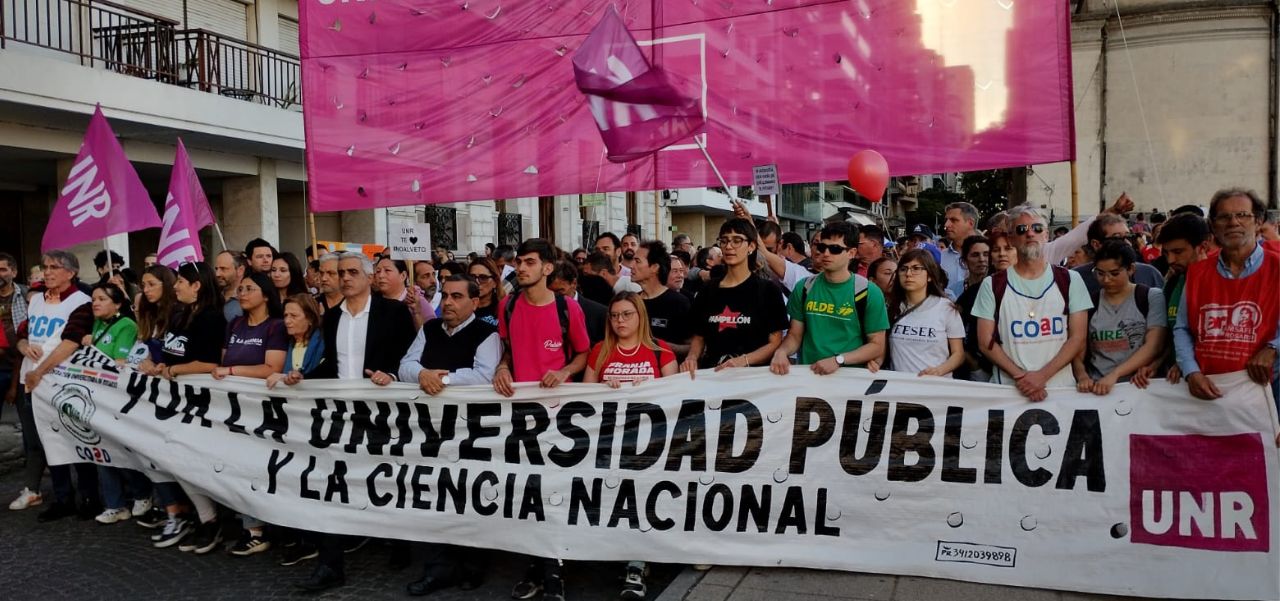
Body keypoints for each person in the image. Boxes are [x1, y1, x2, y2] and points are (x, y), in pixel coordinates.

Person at [299, 251, 417, 593]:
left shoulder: (393, 313)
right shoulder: (332, 317)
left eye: (352, 272)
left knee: (387, 478)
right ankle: (329, 564)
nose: (345, 277)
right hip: (340, 414)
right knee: (330, 483)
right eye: (340, 272)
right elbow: (332, 365)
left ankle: (399, 542)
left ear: (368, 278)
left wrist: (391, 374)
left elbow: (409, 357)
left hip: (382, 413)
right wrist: (301, 377)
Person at [493, 239, 591, 601]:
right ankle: (538, 565)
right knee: (529, 492)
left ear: (547, 269)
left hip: (561, 418)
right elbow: (506, 348)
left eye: (529, 262)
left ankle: (554, 571)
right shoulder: (508, 305)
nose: (520, 267)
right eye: (518, 261)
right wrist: (502, 367)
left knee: (555, 493)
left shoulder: (567, 309)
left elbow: (582, 353)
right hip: (520, 416)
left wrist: (565, 372)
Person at [396, 274, 498, 596]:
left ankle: (473, 564)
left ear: (475, 302)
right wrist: (423, 374)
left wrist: (444, 380)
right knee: (438, 497)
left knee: (470, 496)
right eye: (446, 297)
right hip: (432, 431)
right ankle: (439, 568)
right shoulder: (429, 329)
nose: (449, 303)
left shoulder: (487, 333)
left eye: (457, 297)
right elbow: (406, 366)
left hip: (473, 431)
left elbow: (484, 375)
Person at [581, 291, 675, 601]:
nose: (620, 320)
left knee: (643, 503)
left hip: (651, 447)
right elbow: (583, 401)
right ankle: (625, 556)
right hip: (611, 444)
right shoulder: (599, 351)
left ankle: (637, 565)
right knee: (619, 502)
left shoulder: (661, 352)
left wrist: (652, 390)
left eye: (627, 314)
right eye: (615, 315)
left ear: (640, 317)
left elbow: (676, 404)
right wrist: (603, 391)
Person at [142, 262, 227, 551]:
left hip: (199, 402)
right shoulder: (179, 314)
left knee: (189, 460)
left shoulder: (212, 318)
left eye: (180, 281)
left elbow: (210, 362)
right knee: (169, 459)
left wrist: (177, 371)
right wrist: (160, 365)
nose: (175, 286)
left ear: (197, 285)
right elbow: (171, 353)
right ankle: (203, 518)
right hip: (174, 400)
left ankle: (212, 520)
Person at [1173, 188, 1279, 405]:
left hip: (1268, 391)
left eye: (1242, 215)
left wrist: (1273, 347)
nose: (1233, 222)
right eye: (1224, 216)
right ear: (1213, 226)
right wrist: (1191, 371)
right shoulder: (1197, 273)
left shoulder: (1277, 268)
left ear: (1258, 222)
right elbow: (1181, 328)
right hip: (1209, 392)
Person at [10, 250, 96, 519]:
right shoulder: (35, 301)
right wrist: (24, 347)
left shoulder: (82, 302)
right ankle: (62, 498)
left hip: (63, 382)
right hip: (32, 381)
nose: (47, 272)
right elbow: (21, 334)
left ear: (70, 273)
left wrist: (41, 371)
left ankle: (90, 497)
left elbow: (71, 341)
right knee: (48, 442)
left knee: (76, 440)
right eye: (45, 267)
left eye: (54, 267)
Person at [974, 206, 1092, 401]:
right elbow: (986, 343)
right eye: (1021, 229)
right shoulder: (992, 285)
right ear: (1011, 238)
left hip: (1061, 392)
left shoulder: (1071, 280)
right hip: (1008, 392)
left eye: (1037, 228)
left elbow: (1077, 338)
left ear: (1046, 235)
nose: (1030, 233)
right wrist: (1022, 378)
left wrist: (1041, 377)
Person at [211, 272, 287, 556]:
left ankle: (270, 525)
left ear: (266, 295)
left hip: (263, 411)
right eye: (240, 288)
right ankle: (251, 527)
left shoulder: (276, 327)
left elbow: (271, 368)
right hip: (234, 410)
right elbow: (223, 359)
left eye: (249, 289)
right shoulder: (234, 325)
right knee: (237, 466)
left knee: (261, 467)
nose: (241, 293)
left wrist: (232, 372)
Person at [769, 221, 887, 374]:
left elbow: (877, 345)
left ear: (851, 253)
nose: (826, 253)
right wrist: (782, 352)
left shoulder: (868, 292)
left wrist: (839, 360)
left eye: (835, 249)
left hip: (849, 380)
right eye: (822, 247)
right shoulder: (804, 287)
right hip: (808, 376)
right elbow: (794, 335)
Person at [79, 283, 150, 525]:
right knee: (101, 450)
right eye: (94, 299)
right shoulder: (98, 323)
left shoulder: (127, 326)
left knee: (120, 451)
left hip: (117, 398)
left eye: (102, 299)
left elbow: (119, 361)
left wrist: (92, 348)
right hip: (96, 396)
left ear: (118, 304)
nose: (95, 303)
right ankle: (115, 504)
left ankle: (141, 492)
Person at [684, 219, 788, 374]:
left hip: (754, 379)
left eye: (737, 240)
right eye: (724, 241)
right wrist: (692, 357)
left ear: (751, 246)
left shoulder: (768, 290)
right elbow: (699, 337)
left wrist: (743, 361)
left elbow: (775, 342)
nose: (729, 246)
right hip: (713, 376)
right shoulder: (708, 290)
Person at [1072, 241, 1167, 395]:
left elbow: (1154, 345)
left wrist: (1115, 375)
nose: (1106, 280)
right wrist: (1082, 375)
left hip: (1140, 386)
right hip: (1097, 388)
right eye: (1100, 273)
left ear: (1131, 269)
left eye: (1114, 273)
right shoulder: (1090, 302)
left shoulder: (1150, 297)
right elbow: (1077, 346)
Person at [885, 249, 965, 376]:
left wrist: (939, 371)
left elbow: (958, 354)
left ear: (929, 276)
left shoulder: (946, 308)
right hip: (899, 387)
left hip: (934, 387)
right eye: (903, 269)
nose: (908, 274)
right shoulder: (891, 308)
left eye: (916, 268)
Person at [1072, 213, 1165, 298]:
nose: (1127, 243)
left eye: (1129, 237)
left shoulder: (1149, 273)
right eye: (1117, 238)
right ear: (1096, 244)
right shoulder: (1076, 278)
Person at [631, 241, 691, 358]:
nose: (631, 266)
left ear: (655, 267)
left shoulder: (679, 303)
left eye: (637, 261)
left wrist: (661, 346)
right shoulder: (631, 301)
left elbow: (693, 348)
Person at [1155, 213, 1211, 329]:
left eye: (1178, 252)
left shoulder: (1224, 284)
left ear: (1203, 247)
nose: (1170, 260)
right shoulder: (1171, 284)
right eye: (1166, 253)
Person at [955, 235, 993, 381]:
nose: (982, 259)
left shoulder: (998, 288)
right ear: (964, 260)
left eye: (986, 254)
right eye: (975, 255)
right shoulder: (954, 291)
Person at [547, 260, 606, 346]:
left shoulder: (599, 313)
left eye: (560, 291)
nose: (555, 296)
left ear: (574, 283)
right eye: (551, 292)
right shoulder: (541, 312)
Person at [0, 253, 27, 424]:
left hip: (24, 366)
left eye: (3, 269)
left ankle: (31, 451)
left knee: (27, 420)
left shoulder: (28, 295)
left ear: (14, 272)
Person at [940, 202, 980, 298]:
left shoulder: (990, 255)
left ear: (970, 223)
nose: (946, 224)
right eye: (946, 220)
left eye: (953, 220)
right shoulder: (939, 258)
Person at [467, 257, 506, 327]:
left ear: (495, 282)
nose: (477, 282)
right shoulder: (461, 307)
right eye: (472, 277)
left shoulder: (506, 309)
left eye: (483, 278)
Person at [214, 250, 246, 321]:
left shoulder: (249, 298)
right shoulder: (212, 296)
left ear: (240, 270)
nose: (217, 274)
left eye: (223, 269)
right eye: (216, 269)